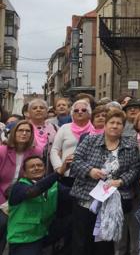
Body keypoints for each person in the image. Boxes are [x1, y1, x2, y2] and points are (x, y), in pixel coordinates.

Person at [70, 108, 140, 255]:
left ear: (123, 126)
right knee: (81, 242)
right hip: (86, 199)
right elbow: (76, 161)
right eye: (111, 122)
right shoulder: (89, 140)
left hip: (113, 202)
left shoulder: (130, 145)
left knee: (105, 245)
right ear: (105, 124)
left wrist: (120, 181)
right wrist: (90, 171)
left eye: (119, 123)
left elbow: (134, 169)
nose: (115, 126)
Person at [6, 155, 71, 255]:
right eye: (32, 167)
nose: (36, 168)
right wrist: (58, 173)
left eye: (40, 165)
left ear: (44, 169)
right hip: (23, 240)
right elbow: (33, 191)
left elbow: (71, 195)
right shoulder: (18, 187)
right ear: (25, 173)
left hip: (44, 235)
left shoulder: (54, 185)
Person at [0, 120, 43, 253]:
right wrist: (3, 204)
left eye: (28, 131)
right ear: (14, 133)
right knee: (2, 223)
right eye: (20, 130)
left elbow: (37, 177)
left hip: (23, 196)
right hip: (2, 196)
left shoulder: (36, 151)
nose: (24, 133)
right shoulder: (2, 151)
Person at [50, 99, 94, 185]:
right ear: (72, 114)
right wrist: (59, 168)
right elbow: (54, 150)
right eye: (76, 110)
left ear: (89, 113)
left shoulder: (95, 130)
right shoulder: (64, 128)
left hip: (89, 176)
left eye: (83, 110)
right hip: (66, 175)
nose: (80, 112)